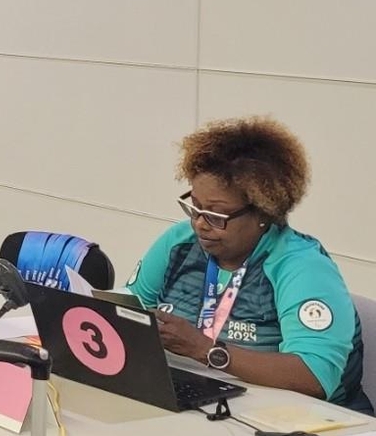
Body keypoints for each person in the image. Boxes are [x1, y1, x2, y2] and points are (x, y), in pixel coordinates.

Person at [127, 116, 370, 411]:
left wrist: (205, 350)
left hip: (302, 427)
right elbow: (130, 306)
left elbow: (314, 376)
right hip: (200, 405)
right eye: (194, 207)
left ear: (264, 213)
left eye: (217, 215)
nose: (200, 224)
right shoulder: (179, 242)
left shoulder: (302, 267)